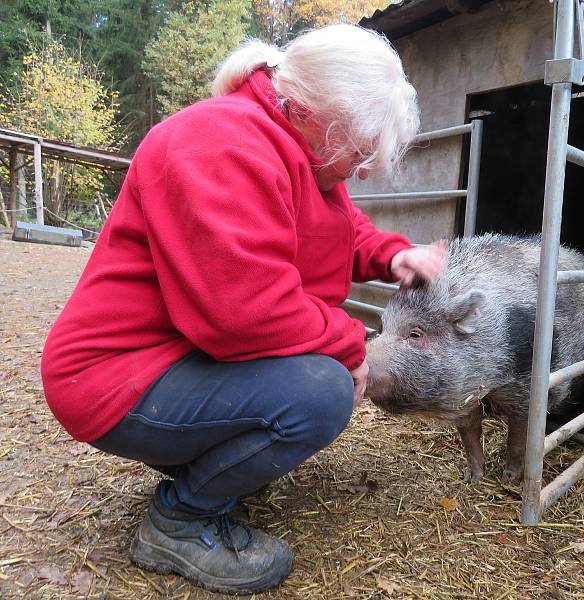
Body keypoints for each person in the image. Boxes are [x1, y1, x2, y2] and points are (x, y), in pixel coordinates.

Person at [40, 24, 445, 595]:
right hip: (116, 373)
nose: (364, 168)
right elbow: (243, 310)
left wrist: (394, 254)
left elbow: (339, 226)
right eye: (359, 150)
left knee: (314, 376)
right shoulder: (218, 143)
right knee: (319, 391)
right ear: (309, 110)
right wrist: (351, 344)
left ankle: (201, 465)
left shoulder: (300, 148)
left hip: (178, 355)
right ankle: (180, 521)